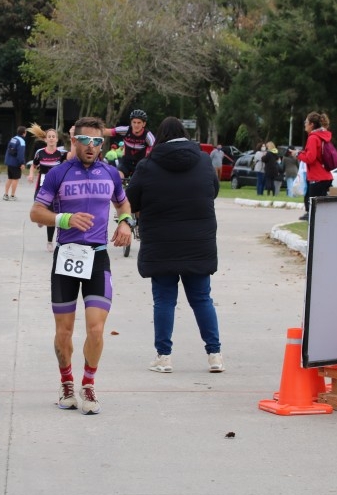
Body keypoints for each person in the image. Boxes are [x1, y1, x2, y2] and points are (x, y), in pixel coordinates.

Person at [29, 116, 133, 415]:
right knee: (64, 332)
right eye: (85, 141)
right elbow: (36, 213)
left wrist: (126, 222)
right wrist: (65, 219)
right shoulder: (58, 174)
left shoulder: (111, 174)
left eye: (97, 142)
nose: (91, 147)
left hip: (97, 257)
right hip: (66, 256)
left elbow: (123, 204)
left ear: (103, 144)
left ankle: (88, 384)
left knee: (97, 329)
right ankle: (66, 382)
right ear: (74, 141)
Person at [125, 117, 224, 375]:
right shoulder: (203, 160)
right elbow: (213, 190)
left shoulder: (148, 165)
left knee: (164, 301)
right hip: (198, 242)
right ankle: (214, 355)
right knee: (202, 299)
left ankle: (164, 357)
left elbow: (131, 199)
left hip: (161, 244)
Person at [26, 124, 65, 251]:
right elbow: (33, 165)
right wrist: (31, 175)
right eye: (49, 137)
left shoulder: (61, 154)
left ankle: (49, 242)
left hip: (55, 187)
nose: (52, 138)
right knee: (37, 206)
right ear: (46, 139)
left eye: (54, 136)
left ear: (57, 139)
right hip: (42, 185)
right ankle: (40, 218)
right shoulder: (40, 153)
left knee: (51, 214)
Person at [296, 112, 334, 220]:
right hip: (325, 175)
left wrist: (298, 155)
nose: (305, 124)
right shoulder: (323, 136)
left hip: (317, 177)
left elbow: (310, 158)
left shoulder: (313, 138)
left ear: (311, 124)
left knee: (314, 207)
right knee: (321, 206)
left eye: (306, 122)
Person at [103, 109, 156, 178]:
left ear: (144, 124)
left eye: (139, 123)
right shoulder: (125, 130)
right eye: (134, 122)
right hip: (126, 162)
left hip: (141, 163)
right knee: (118, 177)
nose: (136, 125)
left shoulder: (148, 136)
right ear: (131, 122)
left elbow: (155, 150)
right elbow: (108, 131)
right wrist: (91, 129)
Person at [2, 125, 26, 200]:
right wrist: (22, 163)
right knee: (15, 179)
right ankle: (12, 195)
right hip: (16, 163)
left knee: (10, 178)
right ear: (24, 133)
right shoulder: (21, 141)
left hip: (9, 162)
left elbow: (10, 149)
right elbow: (20, 153)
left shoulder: (13, 139)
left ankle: (5, 194)